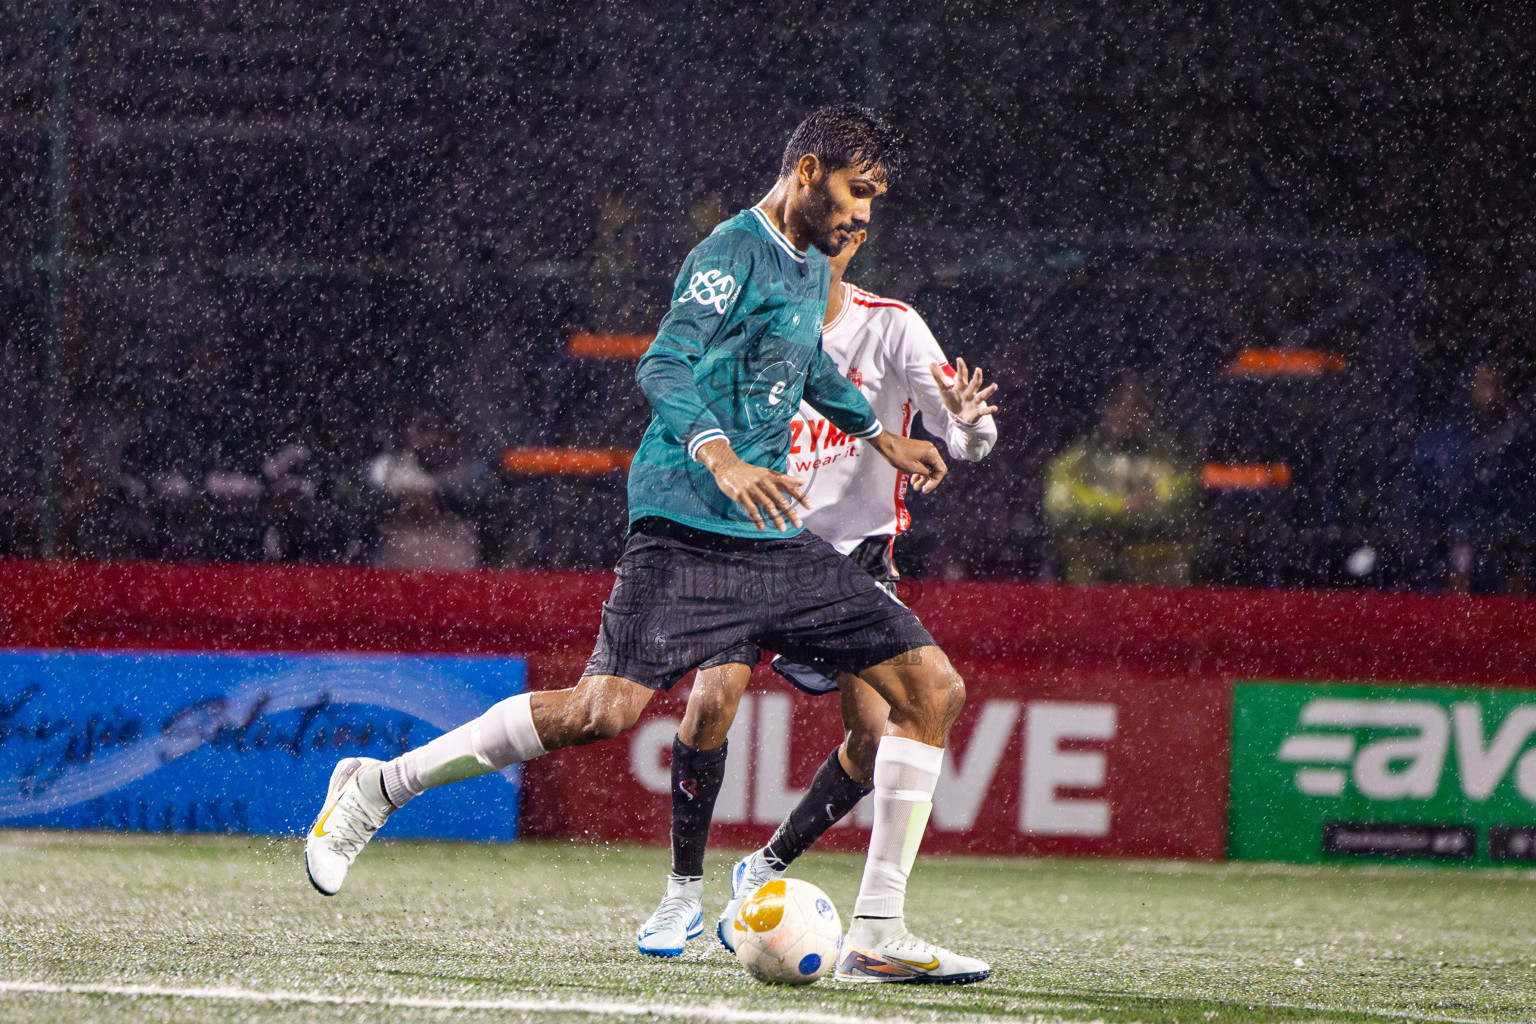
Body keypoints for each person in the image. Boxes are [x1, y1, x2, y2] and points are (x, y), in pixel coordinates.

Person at [303, 104, 991, 985]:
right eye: (857, 192)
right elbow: (662, 362)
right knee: (601, 713)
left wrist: (876, 433)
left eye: (873, 200)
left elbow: (806, 364)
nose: (863, 214)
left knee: (933, 690)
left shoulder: (802, 264)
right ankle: (378, 785)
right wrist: (722, 457)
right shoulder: (728, 253)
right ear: (808, 171)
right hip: (683, 527)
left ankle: (879, 931)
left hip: (771, 537)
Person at [635, 228, 999, 958]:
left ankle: (765, 866)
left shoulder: (892, 326)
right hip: (757, 543)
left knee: (875, 733)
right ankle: (680, 896)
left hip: (853, 558)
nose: (831, 239)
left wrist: (969, 423)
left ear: (854, 241)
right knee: (711, 704)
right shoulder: (756, 315)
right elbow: (673, 377)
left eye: (851, 225)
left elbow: (965, 443)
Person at [1042, 374, 1199, 584]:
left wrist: (1140, 513)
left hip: (1155, 560)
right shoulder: (1080, 458)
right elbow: (1059, 501)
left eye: (1137, 406)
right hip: (1092, 557)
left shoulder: (1167, 456)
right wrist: (1116, 506)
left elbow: (1181, 501)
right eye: (1118, 405)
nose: (1126, 414)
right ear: (1104, 408)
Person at [1402, 361, 1534, 594]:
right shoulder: (1447, 440)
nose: (1490, 395)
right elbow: (1426, 502)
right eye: (1484, 384)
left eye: (1496, 385)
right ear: (1470, 387)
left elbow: (1521, 505)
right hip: (1454, 541)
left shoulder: (1521, 443)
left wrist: (1517, 563)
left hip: (1502, 544)